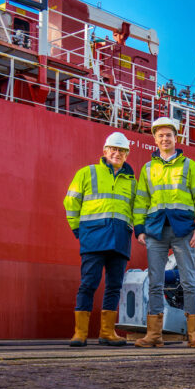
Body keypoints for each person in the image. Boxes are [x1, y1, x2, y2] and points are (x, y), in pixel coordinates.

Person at [133, 117, 195, 349]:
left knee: (188, 281)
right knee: (155, 282)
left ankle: (194, 335)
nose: (164, 139)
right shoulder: (147, 169)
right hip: (155, 230)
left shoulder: (189, 166)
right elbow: (141, 201)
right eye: (160, 135)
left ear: (176, 138)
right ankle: (154, 335)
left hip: (182, 230)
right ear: (155, 139)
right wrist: (139, 229)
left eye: (169, 135)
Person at [64, 132, 137, 347]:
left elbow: (137, 210)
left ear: (126, 155)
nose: (117, 153)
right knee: (88, 284)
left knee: (115, 286)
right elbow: (70, 203)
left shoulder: (132, 182)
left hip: (120, 239)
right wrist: (79, 230)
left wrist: (134, 228)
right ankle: (80, 333)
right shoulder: (87, 173)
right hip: (93, 238)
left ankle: (107, 332)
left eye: (121, 150)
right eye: (113, 149)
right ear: (105, 151)